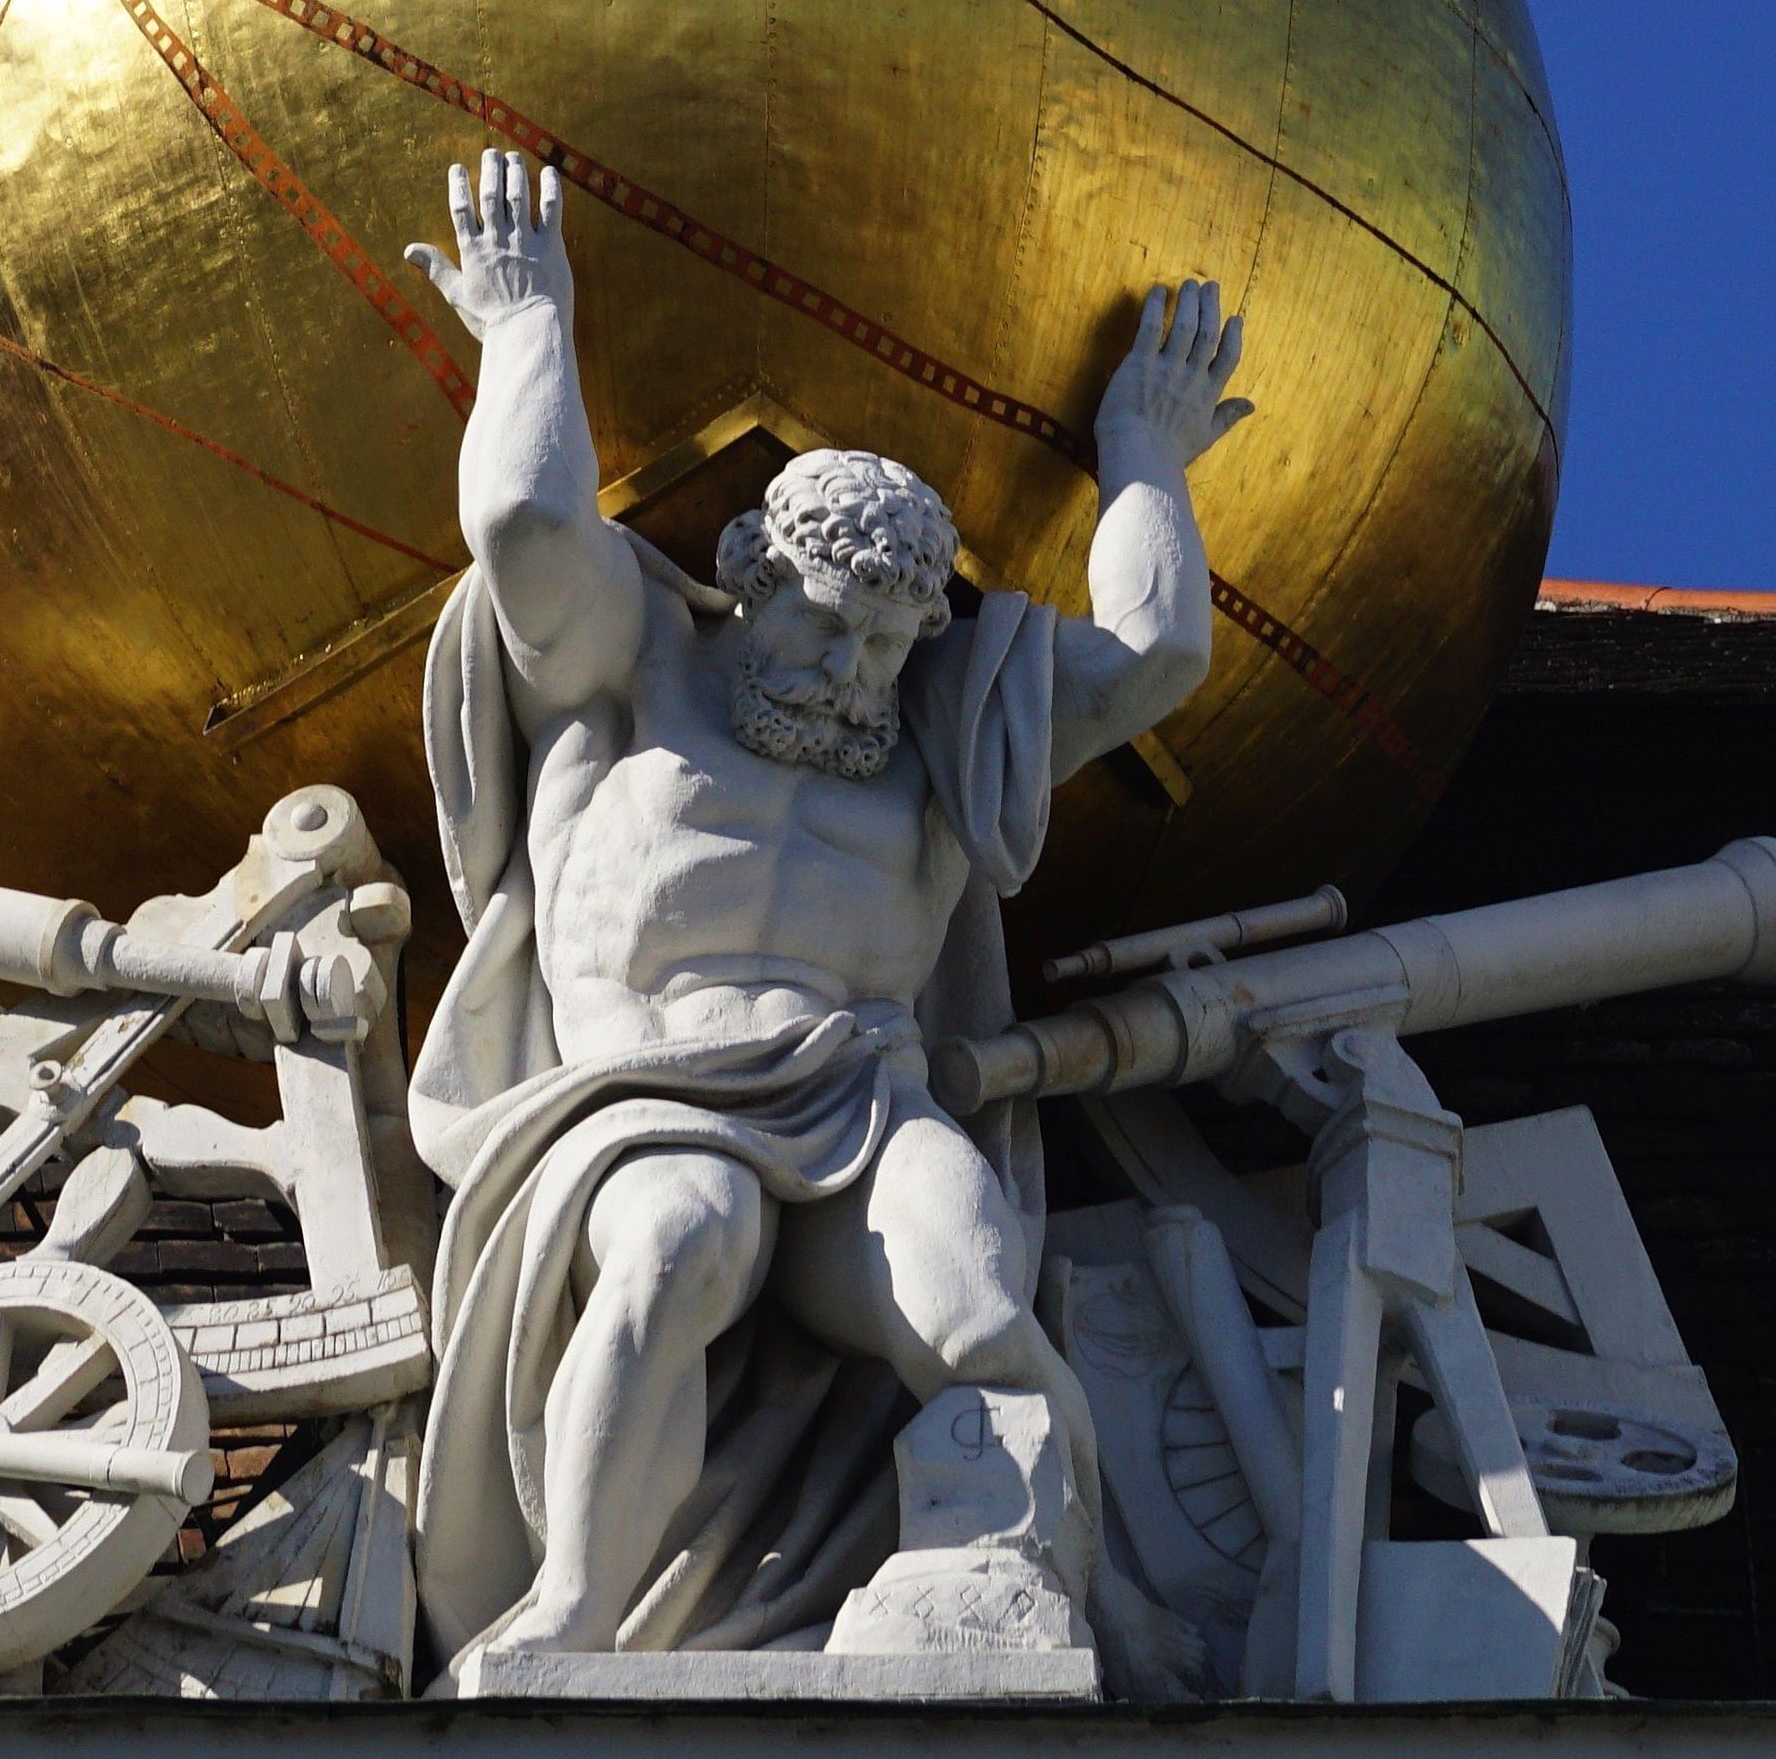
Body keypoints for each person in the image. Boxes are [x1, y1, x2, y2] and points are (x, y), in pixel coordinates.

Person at [391, 151, 1248, 1675]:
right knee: (672, 1240)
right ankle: (576, 1605)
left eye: (889, 640)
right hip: (652, 1098)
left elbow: (1156, 655)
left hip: (859, 1093)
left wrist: (1145, 451)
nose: (857, 671)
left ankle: (1070, 1596)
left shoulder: (936, 725)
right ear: (747, 567)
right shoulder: (636, 663)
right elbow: (524, 520)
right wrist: (528, 320)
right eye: (831, 625)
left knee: (983, 1310)